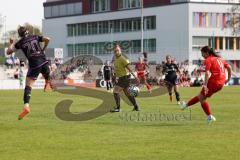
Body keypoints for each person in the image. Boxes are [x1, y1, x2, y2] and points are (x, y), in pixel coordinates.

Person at [7, 25, 52, 120]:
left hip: (34, 64)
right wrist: (44, 49)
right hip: (43, 61)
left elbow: (8, 52)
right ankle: (47, 82)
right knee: (46, 72)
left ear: (20, 34)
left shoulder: (20, 43)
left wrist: (10, 43)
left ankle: (26, 106)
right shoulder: (35, 37)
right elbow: (48, 39)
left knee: (28, 86)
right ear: (27, 31)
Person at [180, 46, 231, 124]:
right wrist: (228, 79)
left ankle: (209, 116)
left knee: (202, 98)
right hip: (221, 83)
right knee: (201, 97)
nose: (202, 55)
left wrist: (205, 85)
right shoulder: (220, 59)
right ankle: (186, 106)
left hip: (214, 82)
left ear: (207, 53)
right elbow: (229, 67)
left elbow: (207, 73)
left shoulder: (208, 59)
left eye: (202, 53)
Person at [111, 45, 140, 112]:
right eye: (115, 51)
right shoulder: (116, 60)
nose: (116, 52)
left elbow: (129, 68)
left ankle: (118, 108)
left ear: (120, 50)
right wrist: (115, 76)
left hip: (125, 78)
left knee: (115, 91)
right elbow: (116, 70)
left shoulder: (122, 58)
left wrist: (135, 77)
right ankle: (136, 107)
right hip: (121, 78)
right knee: (128, 94)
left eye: (118, 50)